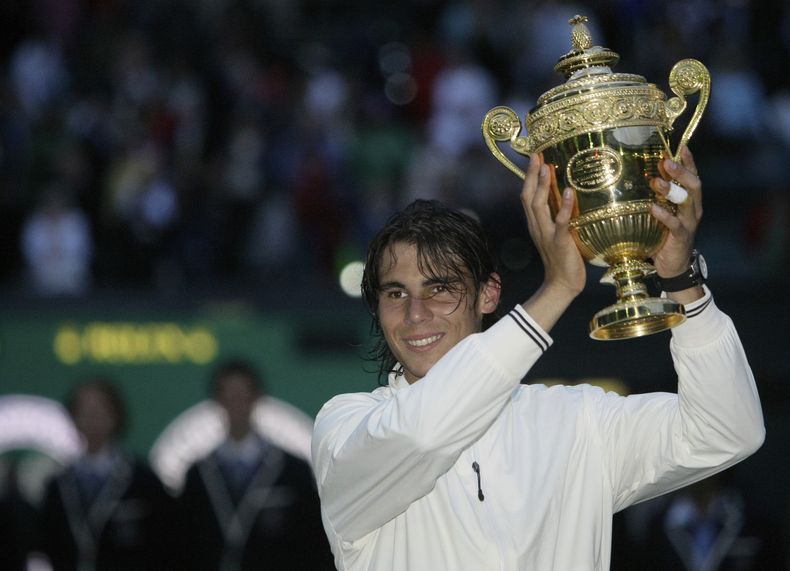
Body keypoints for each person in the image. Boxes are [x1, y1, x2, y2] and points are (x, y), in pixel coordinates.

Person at [311, 148, 765, 570]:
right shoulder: (343, 426)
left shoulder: (578, 422)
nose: (415, 314)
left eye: (441, 288)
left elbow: (727, 431)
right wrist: (557, 290)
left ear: (488, 294)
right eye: (396, 294)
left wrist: (682, 282)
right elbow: (422, 435)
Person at [176, 359, 334, 570]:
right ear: (218, 400)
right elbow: (184, 546)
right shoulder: (198, 475)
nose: (236, 404)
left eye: (243, 395)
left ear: (257, 398)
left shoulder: (291, 471)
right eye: (229, 396)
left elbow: (312, 543)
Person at [37, 378, 174, 571]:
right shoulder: (59, 486)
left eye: (100, 409)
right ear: (73, 418)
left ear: (116, 415)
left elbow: (165, 543)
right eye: (84, 410)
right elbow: (47, 545)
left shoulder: (143, 481)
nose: (92, 417)